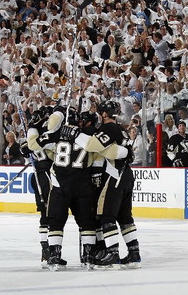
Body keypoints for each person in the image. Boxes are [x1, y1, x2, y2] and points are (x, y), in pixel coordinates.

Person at [73, 100, 139, 269]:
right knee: (125, 217)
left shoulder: (109, 128)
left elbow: (91, 145)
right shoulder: (122, 129)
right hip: (126, 174)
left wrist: (74, 135)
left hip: (114, 174)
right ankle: (134, 253)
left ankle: (112, 253)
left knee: (106, 214)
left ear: (104, 114)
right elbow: (124, 152)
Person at [34, 105, 97, 271]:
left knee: (56, 222)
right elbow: (97, 149)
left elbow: (32, 146)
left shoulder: (55, 134)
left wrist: (33, 128)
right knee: (86, 222)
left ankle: (54, 255)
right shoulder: (88, 134)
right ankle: (89, 256)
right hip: (83, 184)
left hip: (60, 185)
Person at [20, 105, 55, 269]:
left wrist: (27, 147)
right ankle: (48, 248)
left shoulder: (37, 135)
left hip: (46, 175)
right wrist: (26, 150)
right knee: (47, 213)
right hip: (44, 176)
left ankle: (48, 248)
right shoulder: (40, 133)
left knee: (47, 213)